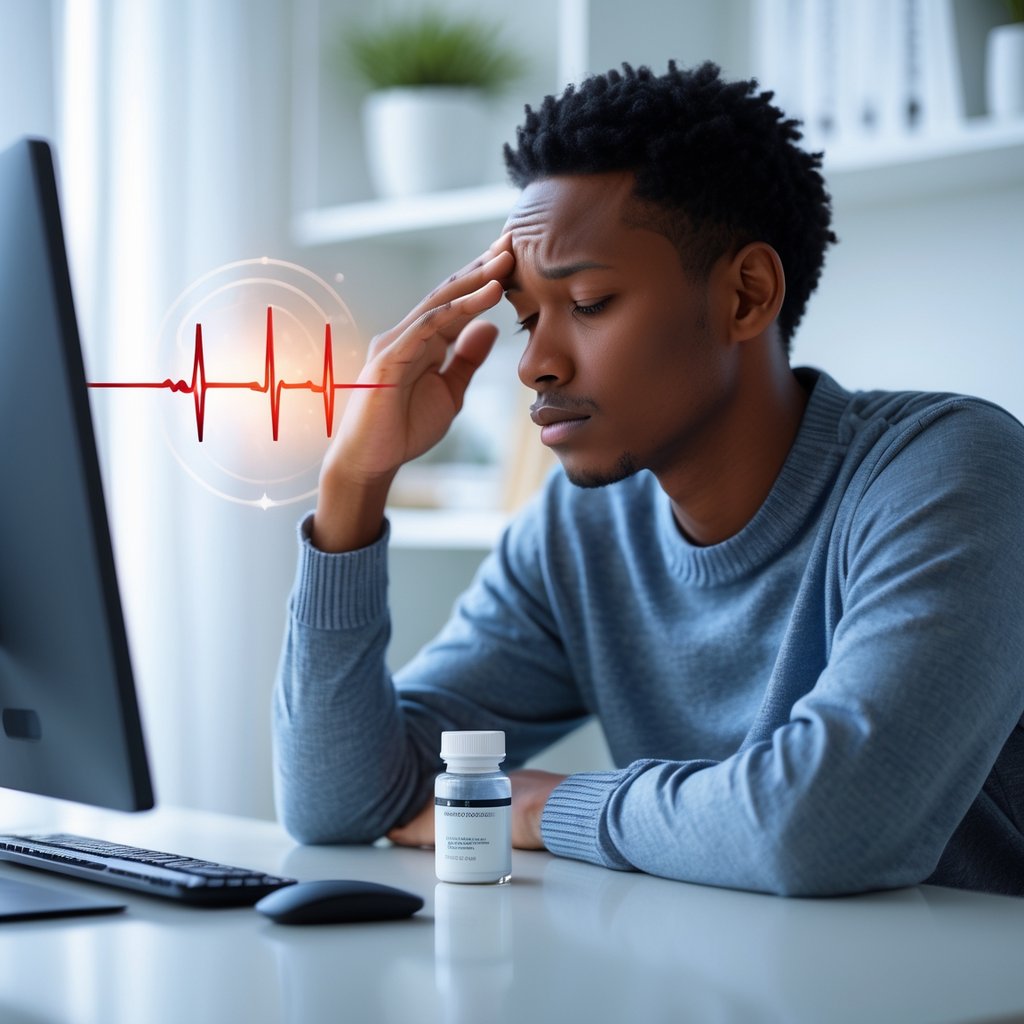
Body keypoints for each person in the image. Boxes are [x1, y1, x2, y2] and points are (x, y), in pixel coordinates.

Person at [273, 61, 1024, 896]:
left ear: (747, 295)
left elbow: (821, 829)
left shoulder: (951, 472)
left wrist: (540, 809)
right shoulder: (580, 532)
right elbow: (341, 802)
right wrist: (351, 487)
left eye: (588, 302)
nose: (534, 365)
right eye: (526, 319)